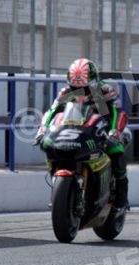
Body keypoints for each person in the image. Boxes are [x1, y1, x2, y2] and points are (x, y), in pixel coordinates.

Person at [36, 58, 129, 212]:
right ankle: (63, 191)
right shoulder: (65, 93)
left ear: (93, 80)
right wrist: (43, 130)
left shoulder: (105, 91)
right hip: (75, 131)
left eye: (84, 88)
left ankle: (121, 201)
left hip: (106, 129)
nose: (80, 92)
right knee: (53, 149)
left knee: (117, 153)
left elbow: (118, 113)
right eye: (75, 87)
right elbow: (51, 112)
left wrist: (115, 132)